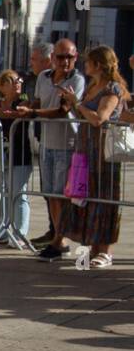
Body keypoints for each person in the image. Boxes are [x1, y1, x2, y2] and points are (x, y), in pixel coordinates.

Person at [56, 45, 127, 268]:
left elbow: (99, 118)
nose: (84, 65)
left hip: (103, 153)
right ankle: (90, 245)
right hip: (86, 149)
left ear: (98, 64)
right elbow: (84, 115)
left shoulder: (112, 89)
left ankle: (104, 250)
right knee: (84, 195)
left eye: (88, 62)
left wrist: (77, 103)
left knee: (103, 198)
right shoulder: (92, 86)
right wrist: (72, 103)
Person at [24, 39, 85, 259]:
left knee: (61, 194)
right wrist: (25, 109)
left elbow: (63, 109)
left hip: (67, 144)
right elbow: (38, 102)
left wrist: (34, 114)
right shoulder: (43, 77)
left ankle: (60, 239)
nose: (65, 62)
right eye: (60, 57)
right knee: (50, 194)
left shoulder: (77, 80)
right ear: (53, 58)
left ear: (75, 57)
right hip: (46, 143)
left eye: (69, 57)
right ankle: (57, 237)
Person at [0, 69, 33, 240]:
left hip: (19, 154)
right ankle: (2, 230)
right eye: (13, 81)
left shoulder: (23, 99)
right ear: (2, 85)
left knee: (17, 193)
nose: (18, 83)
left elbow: (26, 109)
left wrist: (4, 113)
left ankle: (19, 233)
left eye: (19, 80)